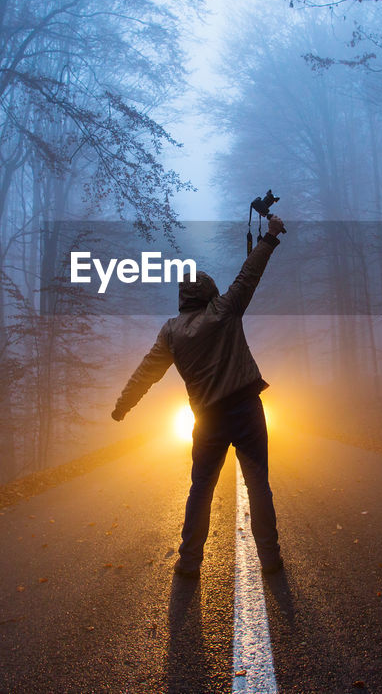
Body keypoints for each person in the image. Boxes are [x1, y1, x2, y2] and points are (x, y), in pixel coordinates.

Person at [111, 214, 287, 578]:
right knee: (258, 484)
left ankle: (189, 563)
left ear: (181, 298)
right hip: (245, 409)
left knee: (201, 489)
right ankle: (270, 560)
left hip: (207, 420)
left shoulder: (171, 333)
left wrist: (123, 405)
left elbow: (147, 371)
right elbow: (248, 274)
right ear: (209, 292)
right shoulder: (224, 310)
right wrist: (269, 237)